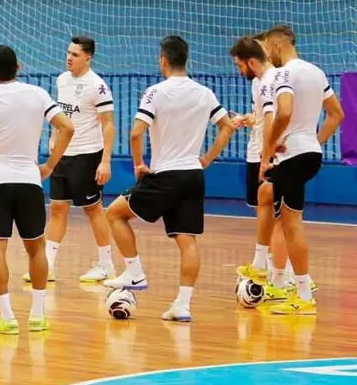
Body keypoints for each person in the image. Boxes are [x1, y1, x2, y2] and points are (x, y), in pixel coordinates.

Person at [103, 35, 235, 322]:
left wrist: (139, 164)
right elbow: (227, 126)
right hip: (193, 175)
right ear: (186, 59)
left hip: (165, 174)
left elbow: (136, 133)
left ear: (163, 60)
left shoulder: (155, 92)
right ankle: (182, 305)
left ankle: (134, 272)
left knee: (114, 214)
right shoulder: (204, 93)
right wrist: (206, 159)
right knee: (187, 240)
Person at [0, 45, 74, 334]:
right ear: (18, 66)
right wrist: (50, 165)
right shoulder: (38, 94)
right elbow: (67, 128)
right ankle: (37, 315)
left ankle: (7, 318)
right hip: (29, 179)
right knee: (36, 248)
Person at [261, 25, 344, 315]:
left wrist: (270, 147)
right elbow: (337, 114)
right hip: (309, 152)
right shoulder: (316, 72)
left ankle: (304, 295)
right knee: (285, 221)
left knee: (292, 224)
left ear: (277, 46)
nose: (268, 56)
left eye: (268, 50)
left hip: (291, 155)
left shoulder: (283, 74)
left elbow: (284, 112)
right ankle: (284, 282)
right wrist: (314, 142)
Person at [28, 36, 116, 284]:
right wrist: (54, 138)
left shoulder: (97, 86)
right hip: (62, 155)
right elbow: (62, 115)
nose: (69, 58)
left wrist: (105, 161)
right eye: (68, 52)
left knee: (93, 209)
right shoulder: (62, 80)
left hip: (87, 155)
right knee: (57, 208)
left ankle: (106, 265)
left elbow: (108, 124)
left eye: (75, 54)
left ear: (88, 57)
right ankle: (48, 266)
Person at [227, 35, 291, 292]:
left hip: (264, 155)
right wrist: (249, 120)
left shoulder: (267, 80)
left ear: (251, 61)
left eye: (239, 65)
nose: (239, 70)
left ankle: (281, 273)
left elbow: (273, 118)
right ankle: (272, 267)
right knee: (268, 213)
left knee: (275, 217)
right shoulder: (266, 81)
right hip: (262, 152)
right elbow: (265, 117)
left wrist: (267, 155)